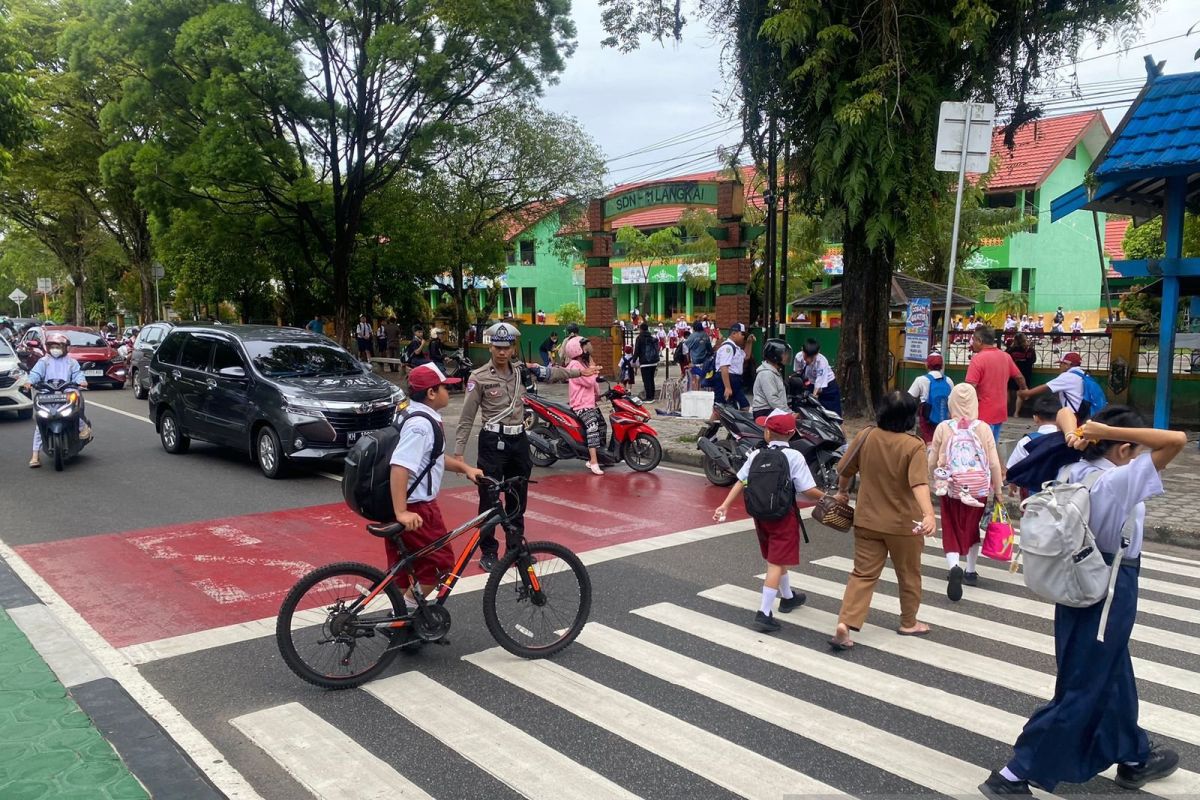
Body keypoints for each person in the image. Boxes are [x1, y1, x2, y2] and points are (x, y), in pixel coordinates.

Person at [981, 406, 1186, 798]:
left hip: (1078, 578)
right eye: (1136, 448)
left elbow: (1061, 411)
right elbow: (1177, 440)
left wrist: (1081, 431)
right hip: (1111, 584)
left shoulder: (1072, 468)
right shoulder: (1119, 481)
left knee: (1111, 668)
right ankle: (1012, 775)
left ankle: (1133, 754)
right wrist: (1107, 430)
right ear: (1125, 450)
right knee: (1085, 683)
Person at [454, 323, 599, 571]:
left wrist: (579, 374)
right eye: (497, 347)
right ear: (491, 346)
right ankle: (489, 551)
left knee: (517, 498)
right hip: (492, 443)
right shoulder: (479, 377)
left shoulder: (523, 371)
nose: (501, 352)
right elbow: (467, 417)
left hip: (518, 441)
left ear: (513, 348)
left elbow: (552, 373)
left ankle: (515, 549)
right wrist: (458, 454)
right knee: (488, 499)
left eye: (506, 347)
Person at [829, 391, 936, 649]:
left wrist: (843, 492)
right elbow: (919, 483)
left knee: (863, 574)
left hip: (867, 520)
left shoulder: (866, 435)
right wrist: (929, 514)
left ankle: (846, 622)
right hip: (903, 525)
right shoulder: (914, 446)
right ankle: (909, 622)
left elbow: (845, 469)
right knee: (909, 574)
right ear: (910, 418)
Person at [713, 409, 824, 632]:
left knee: (776, 557)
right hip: (783, 516)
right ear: (792, 433)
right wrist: (829, 498)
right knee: (775, 562)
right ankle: (764, 613)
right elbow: (808, 490)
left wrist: (724, 505)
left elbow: (740, 481)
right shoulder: (794, 457)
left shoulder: (756, 455)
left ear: (767, 433)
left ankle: (789, 597)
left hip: (760, 516)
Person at [387, 364, 483, 606]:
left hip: (405, 503)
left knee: (406, 568)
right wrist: (402, 512)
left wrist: (465, 468)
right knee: (441, 565)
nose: (448, 392)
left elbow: (431, 457)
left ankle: (400, 621)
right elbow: (400, 466)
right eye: (444, 388)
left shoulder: (412, 413)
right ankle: (404, 616)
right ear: (431, 393)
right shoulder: (420, 425)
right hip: (416, 508)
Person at [929, 383, 1004, 601]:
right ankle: (970, 571)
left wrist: (932, 479)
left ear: (952, 402)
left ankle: (954, 566)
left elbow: (933, 458)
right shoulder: (983, 427)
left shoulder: (943, 427)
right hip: (978, 488)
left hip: (951, 487)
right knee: (972, 528)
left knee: (951, 526)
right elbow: (994, 463)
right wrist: (998, 490)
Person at [26, 331, 92, 468]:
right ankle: (35, 455)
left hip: (67, 393)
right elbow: (35, 374)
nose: (55, 349)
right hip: (46, 394)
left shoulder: (71, 362)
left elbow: (78, 374)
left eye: (58, 346)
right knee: (40, 425)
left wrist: (82, 382)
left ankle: (82, 426)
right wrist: (29, 382)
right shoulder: (44, 361)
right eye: (52, 346)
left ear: (65, 347)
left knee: (75, 410)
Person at [965, 325, 1027, 442]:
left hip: (982, 413)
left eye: (973, 339)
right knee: (993, 445)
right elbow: (1019, 377)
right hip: (1000, 411)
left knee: (981, 448)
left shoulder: (978, 360)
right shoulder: (1005, 356)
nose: (972, 342)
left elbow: (969, 388)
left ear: (980, 341)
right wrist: (1024, 390)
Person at [564, 337, 606, 476]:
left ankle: (599, 456)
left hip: (590, 403)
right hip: (581, 404)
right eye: (585, 345)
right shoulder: (575, 365)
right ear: (578, 348)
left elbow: (593, 383)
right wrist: (594, 370)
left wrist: (598, 395)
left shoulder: (584, 363)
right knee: (592, 427)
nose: (589, 346)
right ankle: (593, 461)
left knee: (602, 425)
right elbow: (588, 382)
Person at [1005, 394, 1060, 496]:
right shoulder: (1068, 439)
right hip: (1059, 492)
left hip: (1031, 493)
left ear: (1035, 418)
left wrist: (1012, 486)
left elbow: (1013, 468)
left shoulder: (1026, 441)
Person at [1017, 351, 1088, 411]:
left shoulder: (1068, 376)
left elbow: (1046, 387)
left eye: (1061, 363)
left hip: (1073, 412)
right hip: (1083, 411)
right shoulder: (1084, 374)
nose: (1060, 366)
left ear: (1067, 365)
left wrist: (1027, 393)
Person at [907, 353, 953, 445]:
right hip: (944, 416)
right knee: (942, 442)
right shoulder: (948, 380)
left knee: (926, 442)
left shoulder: (921, 380)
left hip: (927, 417)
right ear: (942, 365)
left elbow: (910, 397)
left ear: (927, 365)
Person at [794, 338, 841, 416]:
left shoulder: (822, 362)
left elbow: (819, 386)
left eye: (811, 357)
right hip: (810, 383)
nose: (808, 360)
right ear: (802, 350)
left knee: (832, 413)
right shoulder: (798, 357)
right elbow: (798, 372)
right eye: (806, 356)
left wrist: (814, 397)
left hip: (827, 386)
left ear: (817, 353)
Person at [713, 323, 750, 411]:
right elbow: (724, 367)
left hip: (733, 379)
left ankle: (712, 423)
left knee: (721, 407)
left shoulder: (736, 347)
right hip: (727, 378)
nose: (743, 337)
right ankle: (736, 424)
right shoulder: (728, 348)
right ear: (734, 334)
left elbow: (746, 356)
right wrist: (728, 387)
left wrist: (749, 343)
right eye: (742, 334)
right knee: (722, 406)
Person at [751, 338, 792, 417]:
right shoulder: (766, 374)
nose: (787, 356)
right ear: (775, 355)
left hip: (772, 410)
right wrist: (789, 413)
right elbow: (773, 399)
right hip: (764, 411)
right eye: (784, 354)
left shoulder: (774, 371)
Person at [1006, 333, 1037, 416]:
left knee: (1008, 390)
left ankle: (1005, 411)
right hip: (1025, 372)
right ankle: (1016, 413)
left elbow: (1006, 359)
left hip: (1012, 372)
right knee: (1020, 392)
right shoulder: (1030, 350)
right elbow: (1033, 360)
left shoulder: (1010, 350)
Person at [634, 322, 660, 401]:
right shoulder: (652, 337)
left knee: (646, 380)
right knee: (651, 379)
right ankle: (652, 396)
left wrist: (633, 360)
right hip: (654, 362)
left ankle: (648, 397)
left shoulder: (639, 338)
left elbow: (637, 350)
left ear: (641, 329)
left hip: (645, 362)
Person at [684, 321, 713, 391]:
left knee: (695, 381)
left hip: (695, 362)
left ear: (694, 328)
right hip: (705, 363)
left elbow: (685, 349)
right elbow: (710, 350)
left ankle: (696, 394)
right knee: (704, 380)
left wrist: (688, 361)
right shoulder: (706, 335)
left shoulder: (692, 336)